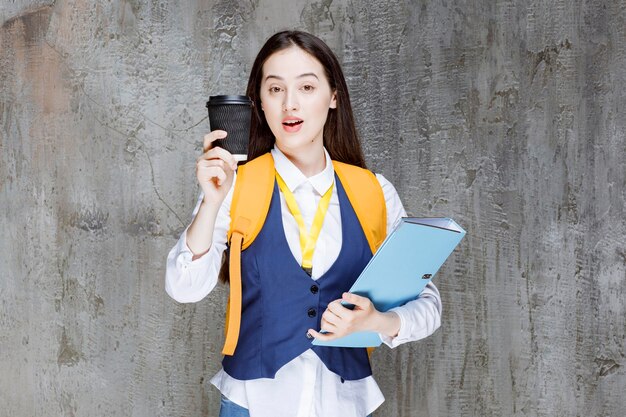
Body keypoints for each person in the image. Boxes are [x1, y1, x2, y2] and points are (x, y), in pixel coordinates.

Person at [165, 30, 442, 417]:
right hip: (252, 403)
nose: (290, 104)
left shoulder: (374, 192)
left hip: (344, 404)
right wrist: (211, 203)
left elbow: (427, 303)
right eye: (275, 89)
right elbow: (184, 289)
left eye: (307, 87)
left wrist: (378, 320)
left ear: (333, 97)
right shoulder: (233, 185)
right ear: (259, 102)